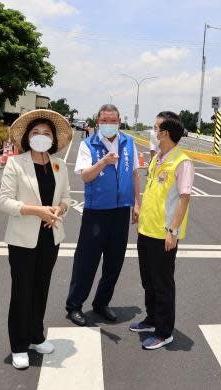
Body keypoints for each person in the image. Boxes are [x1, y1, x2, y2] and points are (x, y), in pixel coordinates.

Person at [0, 109, 73, 370]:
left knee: (41, 286)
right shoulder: (16, 164)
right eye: (36, 133)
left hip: (50, 236)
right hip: (22, 239)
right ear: (28, 137)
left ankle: (35, 336)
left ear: (53, 139)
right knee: (22, 291)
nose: (41, 136)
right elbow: (4, 202)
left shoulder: (59, 165)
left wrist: (58, 210)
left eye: (46, 133)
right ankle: (19, 345)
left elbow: (67, 197)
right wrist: (38, 210)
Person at [65, 104, 140, 326]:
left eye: (113, 120)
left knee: (114, 262)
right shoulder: (89, 144)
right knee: (86, 262)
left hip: (120, 212)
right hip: (96, 212)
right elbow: (86, 176)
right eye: (105, 120)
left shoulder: (129, 142)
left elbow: (135, 174)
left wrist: (137, 203)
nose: (109, 124)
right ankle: (74, 305)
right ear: (98, 122)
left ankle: (101, 302)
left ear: (119, 122)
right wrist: (103, 162)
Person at [131, 111, 194, 350]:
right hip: (147, 230)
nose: (153, 132)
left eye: (156, 128)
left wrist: (173, 231)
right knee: (148, 280)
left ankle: (164, 331)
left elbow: (184, 199)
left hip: (163, 234)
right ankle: (151, 318)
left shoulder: (182, 161)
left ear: (166, 133)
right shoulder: (158, 158)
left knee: (163, 283)